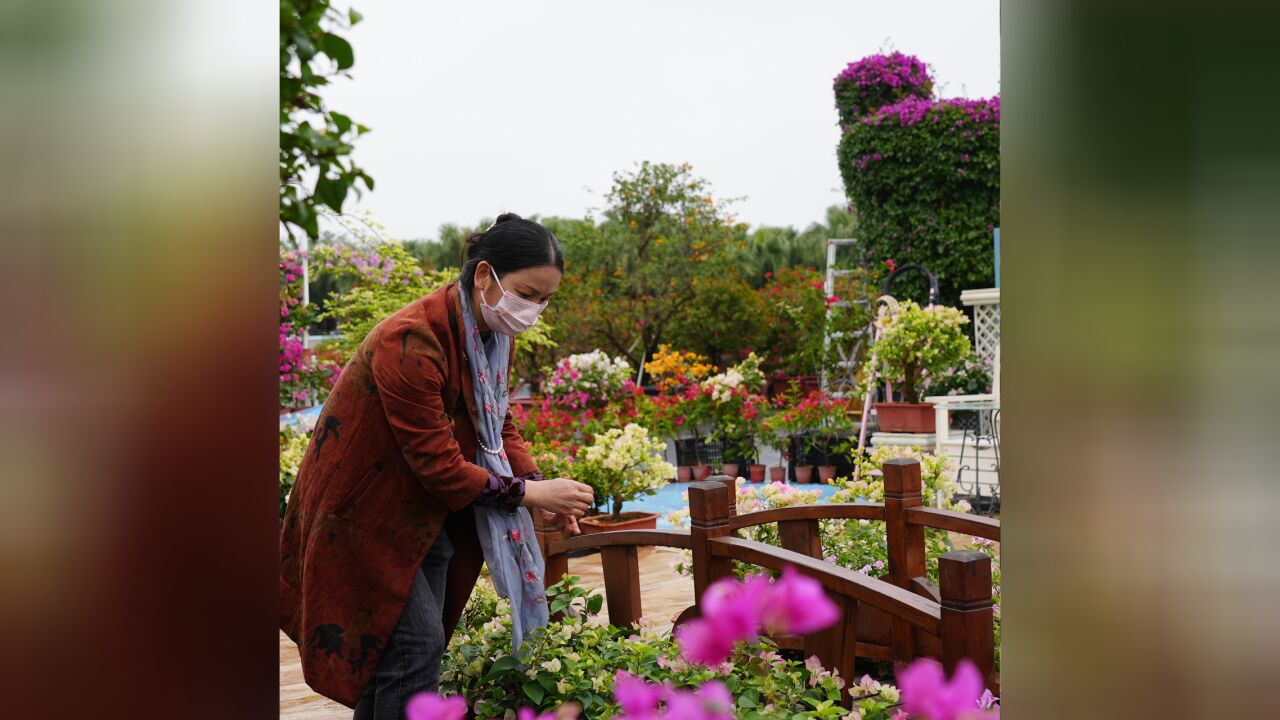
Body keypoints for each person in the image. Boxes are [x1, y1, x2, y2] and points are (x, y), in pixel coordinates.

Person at [279, 213, 595, 719]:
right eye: (527, 294)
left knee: (396, 656)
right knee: (413, 650)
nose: (533, 310)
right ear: (485, 275)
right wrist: (533, 496)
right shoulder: (412, 339)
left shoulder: (491, 335)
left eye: (544, 300)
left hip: (427, 520)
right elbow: (439, 464)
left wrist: (534, 483)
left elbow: (496, 422)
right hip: (363, 518)